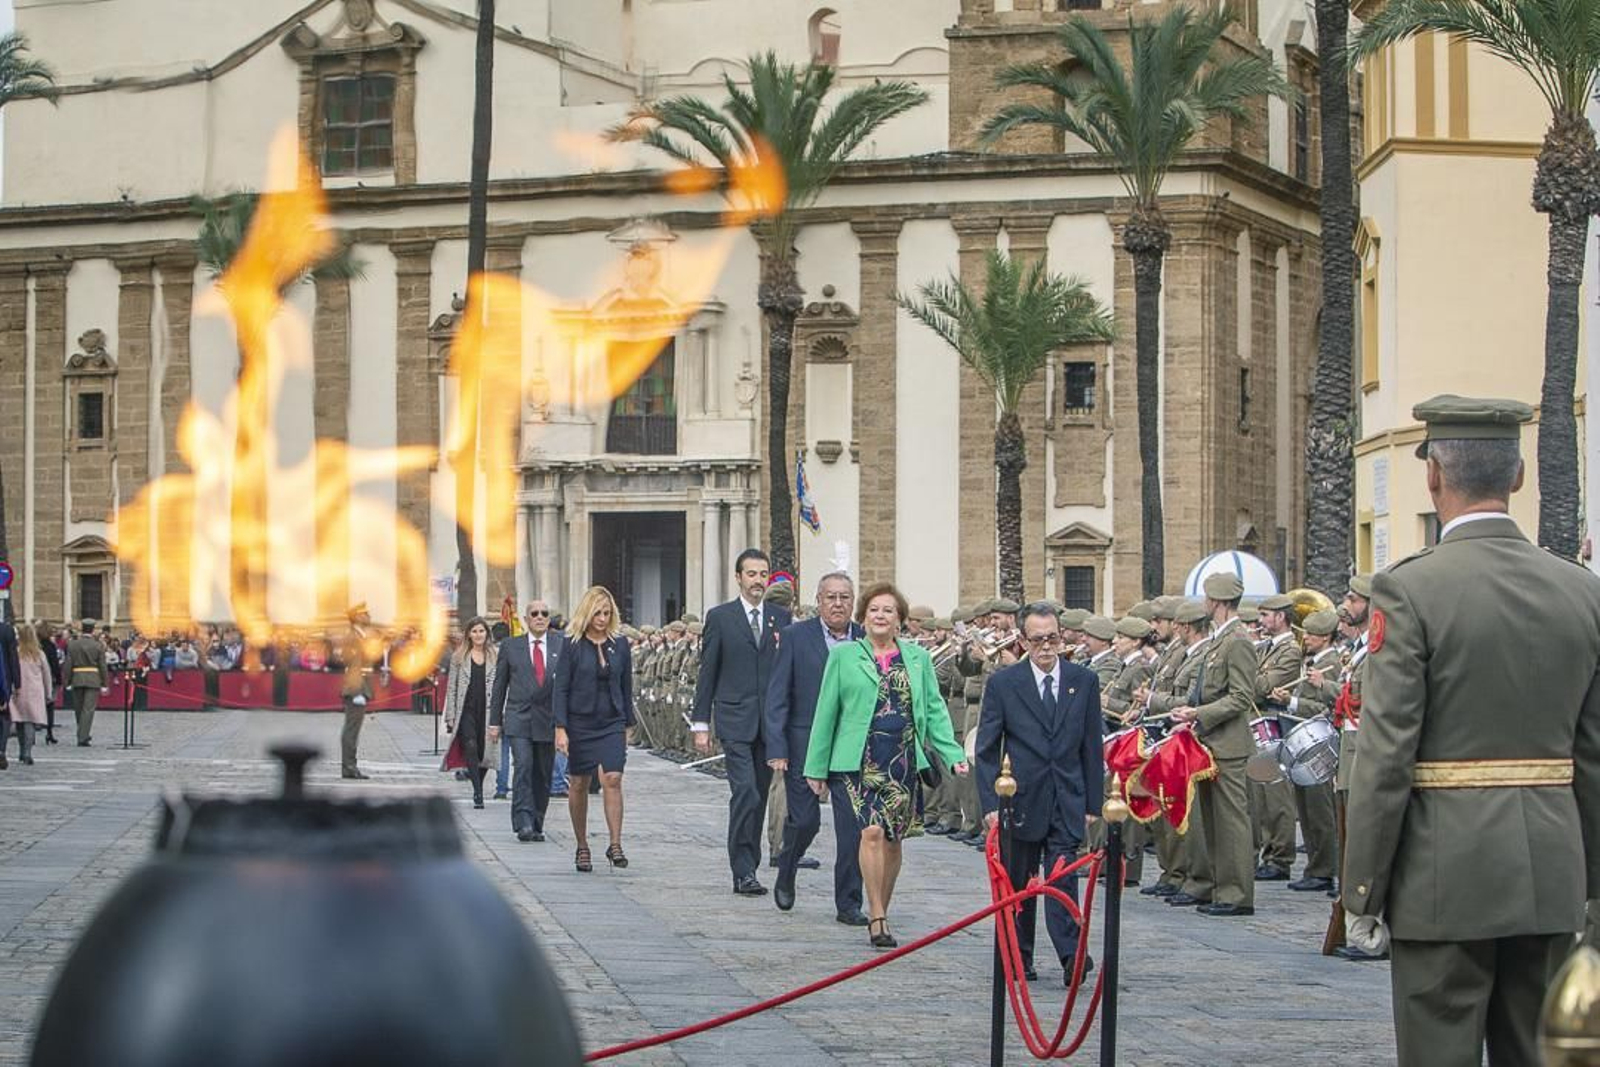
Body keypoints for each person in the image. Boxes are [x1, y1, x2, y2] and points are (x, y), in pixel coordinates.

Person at [1344, 395, 1600, 1067]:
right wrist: (1591, 879)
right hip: (1550, 872)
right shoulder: (1581, 592)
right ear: (1518, 477)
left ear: (1433, 476)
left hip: (1442, 876)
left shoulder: (1409, 590)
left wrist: (1362, 888)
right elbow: (1593, 756)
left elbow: (1386, 755)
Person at [805, 582, 967, 949]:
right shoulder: (844, 656)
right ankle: (877, 915)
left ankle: (883, 904)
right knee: (871, 833)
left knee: (893, 841)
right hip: (857, 761)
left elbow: (936, 711)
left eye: (888, 610)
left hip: (902, 759)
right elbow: (826, 712)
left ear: (900, 620)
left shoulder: (918, 659)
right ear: (863, 617)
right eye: (874, 610)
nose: (880, 616)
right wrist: (815, 767)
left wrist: (954, 753)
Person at [975, 602, 1103, 984]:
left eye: (1052, 638)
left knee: (1062, 878)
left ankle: (1071, 955)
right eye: (1037, 640)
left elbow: (1091, 746)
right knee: (1019, 883)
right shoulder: (1004, 683)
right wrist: (988, 804)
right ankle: (1019, 956)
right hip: (1020, 799)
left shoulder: (1083, 680)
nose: (1046, 647)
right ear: (1023, 641)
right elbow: (986, 750)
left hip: (1067, 795)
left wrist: (1093, 802)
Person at [765, 570, 867, 924]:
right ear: (818, 601)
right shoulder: (796, 637)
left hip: (852, 750)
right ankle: (788, 866)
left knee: (852, 827)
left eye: (844, 597)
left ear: (853, 603)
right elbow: (778, 695)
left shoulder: (866, 640)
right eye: (831, 597)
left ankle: (849, 903)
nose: (838, 604)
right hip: (805, 745)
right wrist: (777, 747)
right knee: (805, 821)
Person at [692, 548, 792, 896]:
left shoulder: (781, 618)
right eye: (751, 574)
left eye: (763, 574)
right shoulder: (721, 617)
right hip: (735, 719)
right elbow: (709, 671)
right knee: (745, 791)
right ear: (738, 577)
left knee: (760, 794)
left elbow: (787, 672)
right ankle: (743, 868)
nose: (757, 581)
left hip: (770, 724)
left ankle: (751, 865)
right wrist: (700, 721)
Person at [1168, 573, 1259, 918]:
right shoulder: (1220, 640)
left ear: (1216, 602)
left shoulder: (1237, 640)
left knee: (1231, 822)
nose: (1204, 604)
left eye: (1207, 598)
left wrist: (1199, 712)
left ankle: (1236, 895)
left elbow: (1240, 697)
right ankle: (1220, 888)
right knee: (1212, 821)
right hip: (1208, 741)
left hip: (1229, 745)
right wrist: (1191, 714)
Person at [553, 586, 636, 872]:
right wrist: (560, 728)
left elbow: (626, 686)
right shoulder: (572, 644)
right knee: (579, 783)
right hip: (580, 721)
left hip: (611, 719)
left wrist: (628, 723)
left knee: (612, 777)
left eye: (607, 613)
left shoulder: (620, 644)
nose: (602, 618)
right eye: (598, 613)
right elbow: (561, 687)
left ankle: (615, 843)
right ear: (587, 613)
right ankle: (582, 845)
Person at [1271, 607, 1341, 893]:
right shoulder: (1313, 661)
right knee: (1307, 808)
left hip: (1320, 740)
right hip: (1303, 740)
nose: (1307, 639)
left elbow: (1328, 708)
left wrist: (1291, 703)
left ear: (1325, 637)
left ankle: (1324, 868)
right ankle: (1315, 865)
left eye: (1312, 634)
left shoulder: (1332, 664)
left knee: (1319, 809)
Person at [489, 600, 565, 842]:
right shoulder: (512, 647)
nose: (540, 617)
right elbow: (499, 686)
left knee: (542, 772)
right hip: (519, 717)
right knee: (523, 767)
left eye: (545, 613)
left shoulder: (560, 644)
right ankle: (522, 821)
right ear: (526, 619)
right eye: (535, 614)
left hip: (548, 719)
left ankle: (536, 820)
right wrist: (494, 722)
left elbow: (566, 685)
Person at [1250, 593, 1303, 882]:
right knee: (1261, 796)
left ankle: (1280, 856)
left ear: (1280, 617)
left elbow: (1264, 685)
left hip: (1275, 725)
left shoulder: (1290, 650)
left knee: (1276, 796)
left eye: (1265, 615)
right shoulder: (1265, 648)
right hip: (1258, 723)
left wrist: (1246, 676)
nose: (1260, 622)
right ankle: (1268, 851)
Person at [441, 617, 499, 809]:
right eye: (474, 631)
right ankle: (477, 792)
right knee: (471, 746)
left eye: (481, 631)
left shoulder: (496, 656)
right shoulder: (459, 657)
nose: (478, 635)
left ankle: (478, 782)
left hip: (488, 709)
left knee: (484, 751)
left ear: (487, 633)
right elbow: (452, 688)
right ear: (468, 635)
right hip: (466, 709)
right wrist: (450, 715)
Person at [338, 603, 380, 779]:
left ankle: (350, 766)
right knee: (351, 729)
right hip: (356, 688)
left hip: (362, 687)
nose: (369, 616)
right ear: (356, 617)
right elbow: (353, 666)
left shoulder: (361, 636)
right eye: (365, 614)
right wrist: (356, 692)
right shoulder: (352, 637)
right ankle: (349, 767)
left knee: (354, 729)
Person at [5, 623, 50, 766]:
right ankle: (27, 752)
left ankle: (21, 750)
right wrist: (48, 693)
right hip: (35, 692)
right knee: (30, 721)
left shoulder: (16, 652)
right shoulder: (38, 654)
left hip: (18, 690)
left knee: (19, 721)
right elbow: (46, 675)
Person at [65, 619, 108, 747]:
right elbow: (102, 666)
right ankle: (83, 736)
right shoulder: (98, 645)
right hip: (93, 679)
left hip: (77, 678)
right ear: (93, 629)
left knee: (78, 709)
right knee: (88, 710)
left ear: (82, 629)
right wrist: (105, 683)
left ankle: (82, 733)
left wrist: (67, 680)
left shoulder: (73, 644)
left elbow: (68, 665)